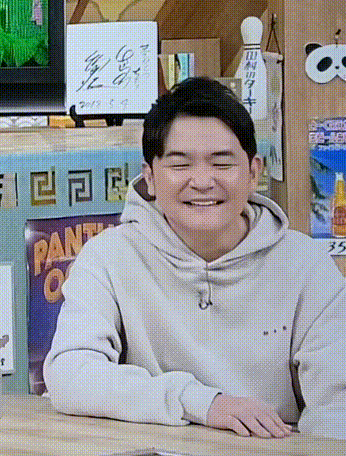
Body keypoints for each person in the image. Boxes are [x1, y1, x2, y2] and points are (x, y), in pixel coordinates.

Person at [43, 77, 345, 440]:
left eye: (221, 163)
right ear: (150, 177)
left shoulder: (307, 265)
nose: (202, 181)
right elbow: (70, 373)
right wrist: (201, 402)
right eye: (180, 165)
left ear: (254, 173)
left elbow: (337, 407)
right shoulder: (109, 257)